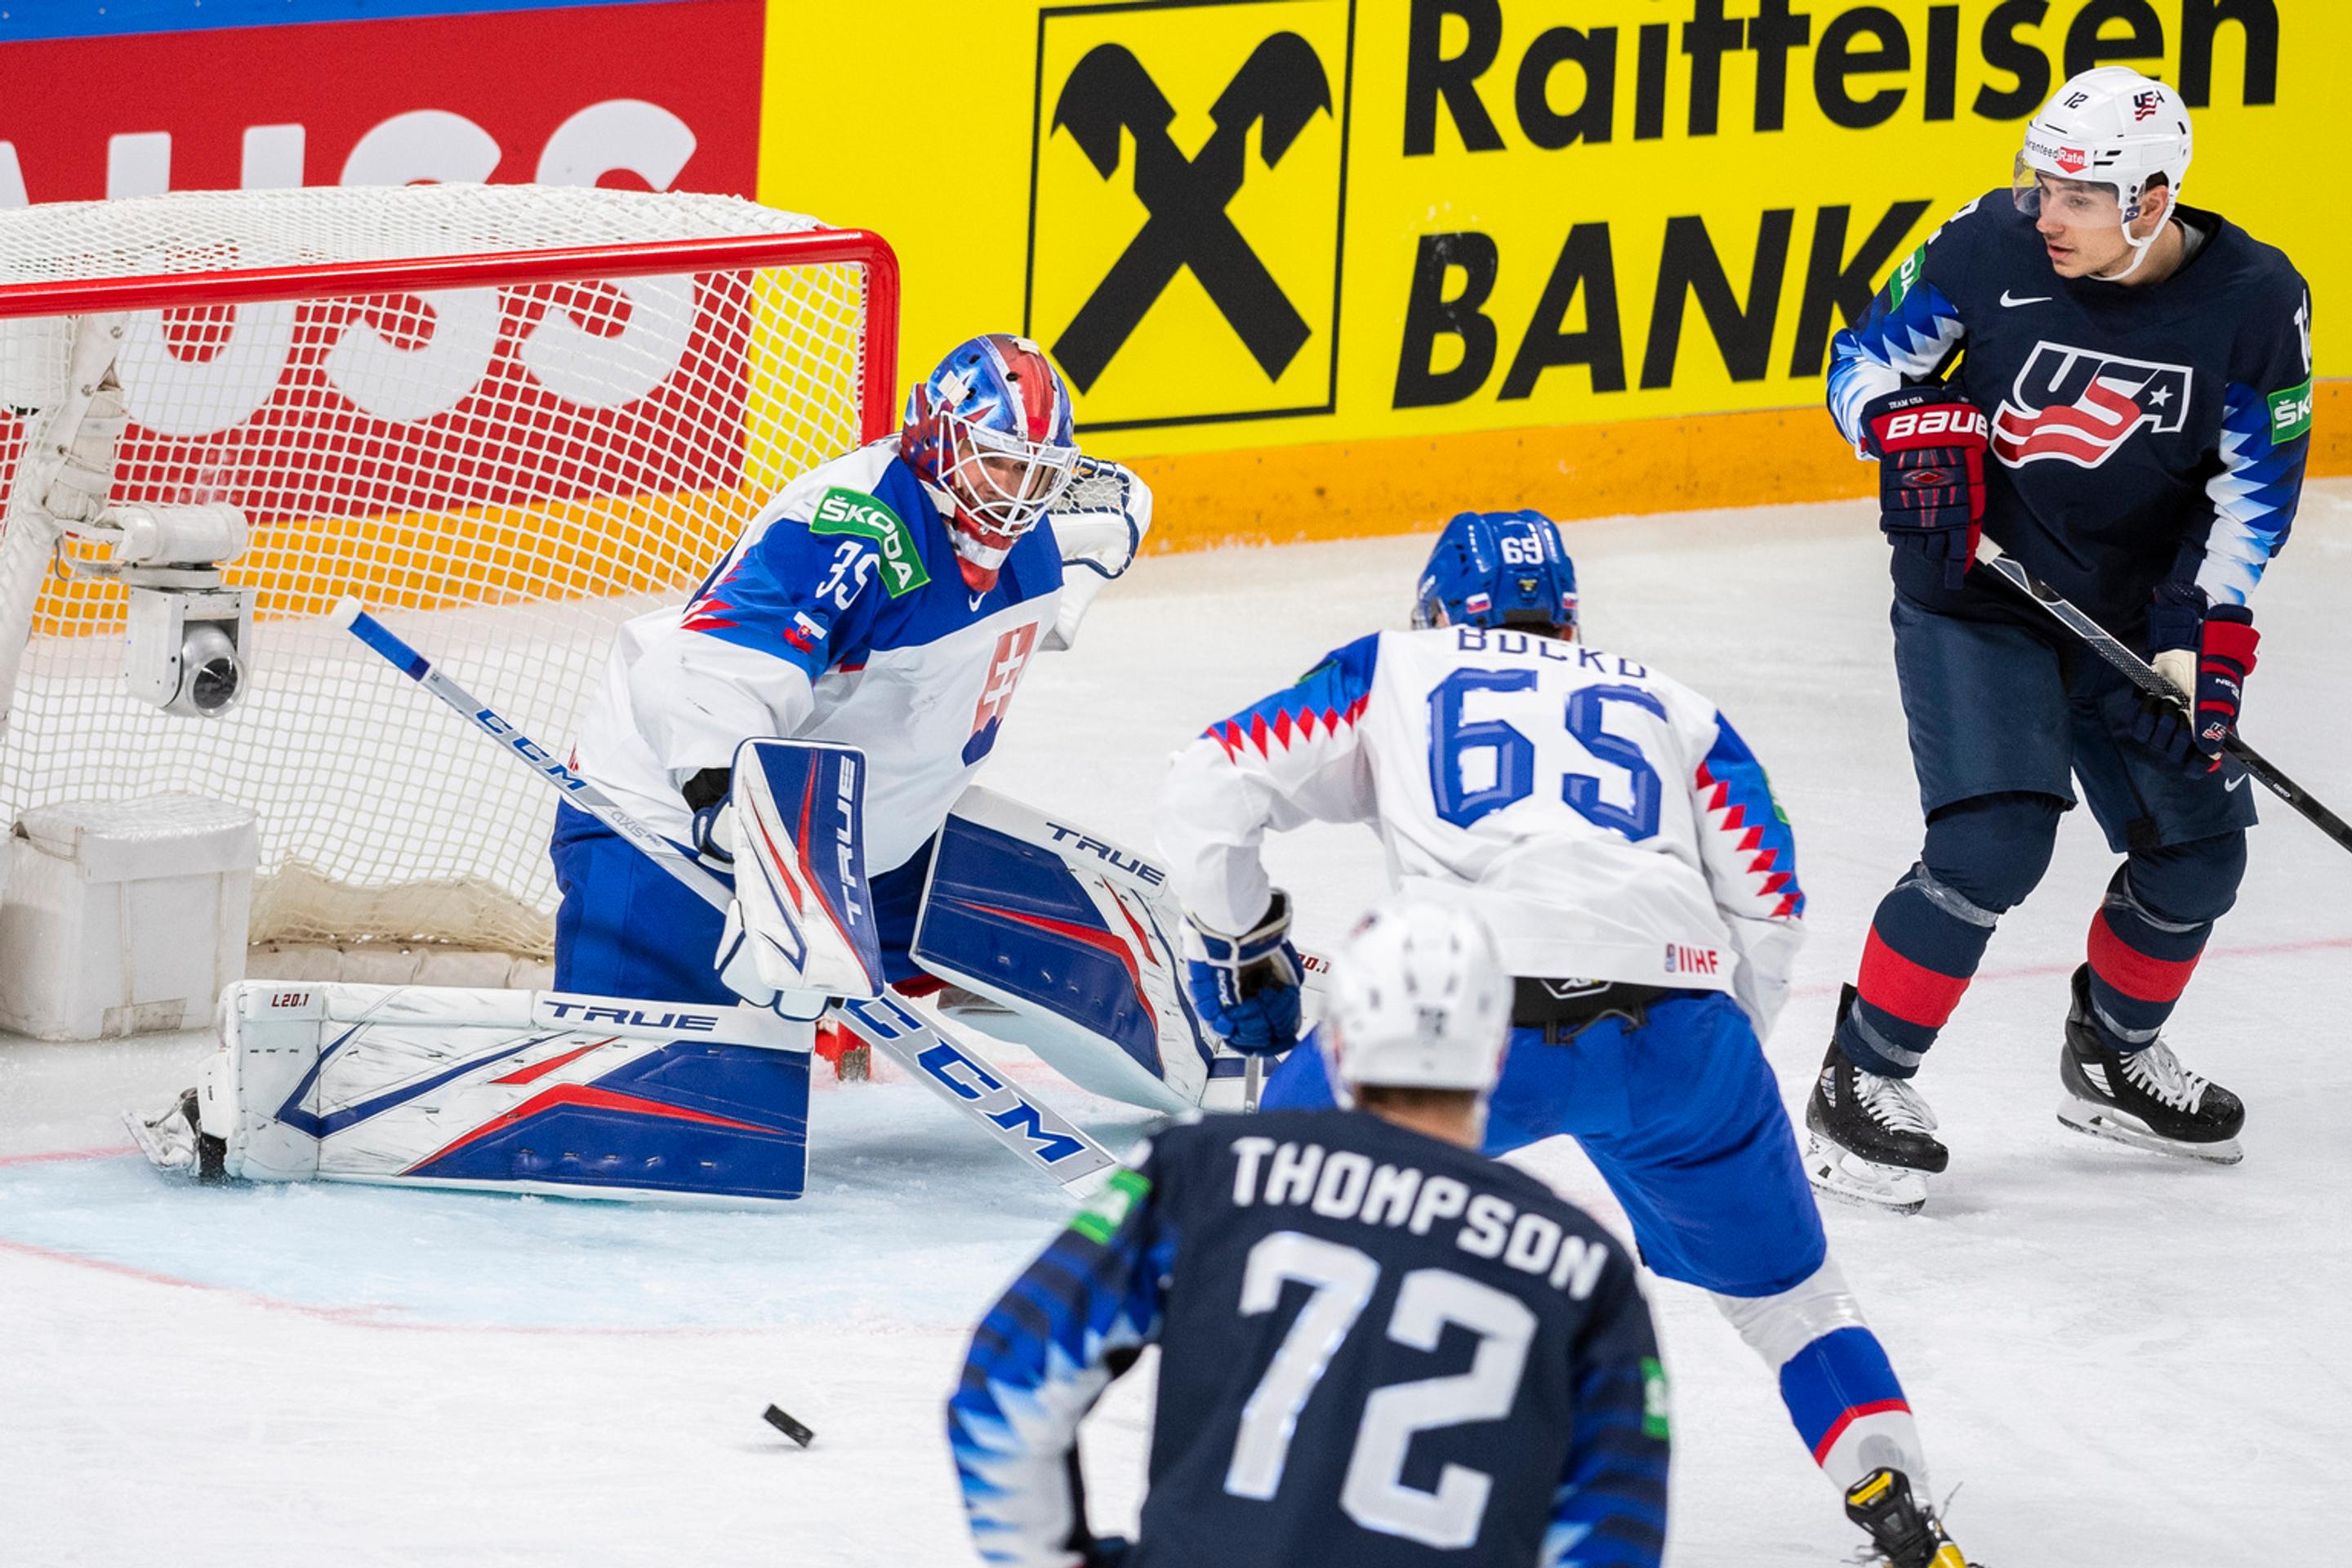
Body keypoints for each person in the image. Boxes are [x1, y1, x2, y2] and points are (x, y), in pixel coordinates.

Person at [1152, 510, 1971, 1567]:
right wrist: (1711, 1058)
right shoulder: (1675, 706)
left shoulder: (1395, 666)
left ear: (1440, 610)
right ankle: (1893, 1496)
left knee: (1274, 1231)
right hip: (1682, 1037)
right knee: (1794, 1306)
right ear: (1569, 613)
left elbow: (1210, 786)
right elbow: (1772, 903)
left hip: (1459, 1023)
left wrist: (1241, 938)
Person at [1813, 66, 2313, 1209]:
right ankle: (1861, 1077)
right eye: (2042, 186)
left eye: (2079, 198)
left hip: (2135, 611)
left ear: (2150, 199)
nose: (2047, 214)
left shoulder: (2254, 301)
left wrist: (2208, 634)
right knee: (1994, 845)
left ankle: (2113, 1056)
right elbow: (1860, 367)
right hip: (1979, 595)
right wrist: (1901, 426)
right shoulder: (1981, 246)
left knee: (2199, 856)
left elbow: (2254, 493)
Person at [949, 898, 1673, 1568]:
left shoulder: (1202, 1170)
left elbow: (1007, 1379)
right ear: (1495, 1052)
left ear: (1337, 1042)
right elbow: (1614, 1531)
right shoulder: (1581, 1263)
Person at [552, 332, 1143, 1013]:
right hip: (671, 829)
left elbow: (1125, 504)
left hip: (853, 852)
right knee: (655, 1080)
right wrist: (728, 807)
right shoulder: (851, 531)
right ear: (935, 438)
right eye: (995, 465)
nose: (1013, 495)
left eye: (1033, 472)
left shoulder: (1042, 527)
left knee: (1036, 933)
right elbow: (707, 676)